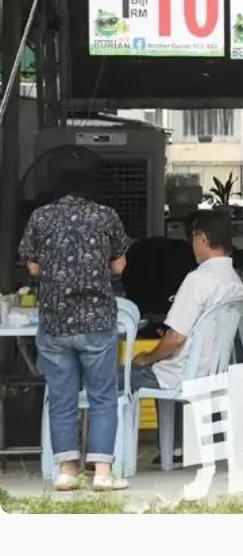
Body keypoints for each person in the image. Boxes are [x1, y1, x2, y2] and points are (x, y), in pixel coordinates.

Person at [19, 151, 130, 491]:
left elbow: (33, 267)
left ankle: (67, 472)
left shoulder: (40, 217)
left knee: (62, 397)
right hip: (96, 320)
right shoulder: (105, 216)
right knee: (102, 397)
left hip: (54, 321)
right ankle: (102, 473)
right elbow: (119, 266)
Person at [127, 209, 243, 402]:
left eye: (192, 238)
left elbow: (176, 338)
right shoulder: (236, 282)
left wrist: (147, 358)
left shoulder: (198, 279)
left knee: (102, 380)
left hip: (176, 377)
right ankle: (170, 433)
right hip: (210, 376)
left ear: (202, 239)